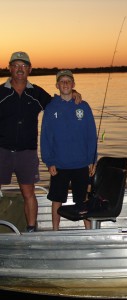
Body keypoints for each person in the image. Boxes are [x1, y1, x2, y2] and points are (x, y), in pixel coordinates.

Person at [0, 51, 82, 232]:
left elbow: (58, 103)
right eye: (16, 65)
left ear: (29, 69)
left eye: (24, 66)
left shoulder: (36, 93)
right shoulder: (1, 93)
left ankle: (31, 229)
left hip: (27, 153)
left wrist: (73, 92)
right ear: (10, 68)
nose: (20, 69)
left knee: (28, 193)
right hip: (2, 151)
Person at [40, 70, 97, 231]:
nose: (65, 84)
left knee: (83, 200)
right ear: (57, 85)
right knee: (57, 199)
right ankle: (55, 231)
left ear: (73, 85)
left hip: (81, 163)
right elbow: (45, 137)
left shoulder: (83, 106)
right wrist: (48, 160)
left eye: (68, 81)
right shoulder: (51, 108)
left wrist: (93, 160)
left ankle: (89, 231)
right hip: (59, 164)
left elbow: (91, 135)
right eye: (62, 81)